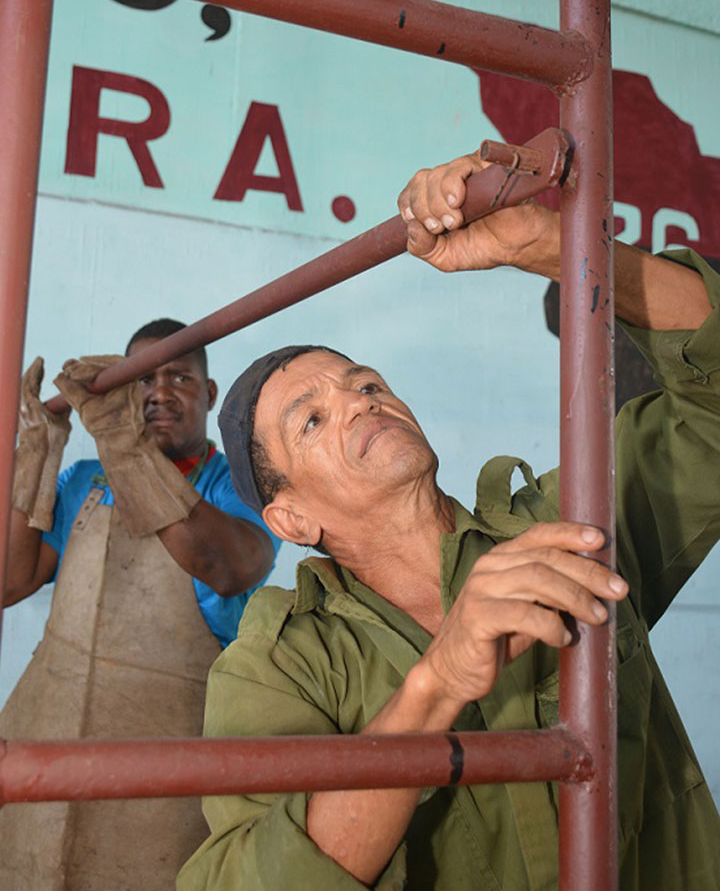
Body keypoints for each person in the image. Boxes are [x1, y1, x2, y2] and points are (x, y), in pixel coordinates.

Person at [178, 152, 720, 890]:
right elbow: (252, 881)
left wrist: (548, 247)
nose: (362, 401)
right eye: (312, 420)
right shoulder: (278, 667)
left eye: (365, 383)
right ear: (292, 518)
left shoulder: (571, 521)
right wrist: (435, 685)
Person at [1, 318, 280, 891]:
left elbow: (229, 569)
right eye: (142, 379)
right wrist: (36, 457)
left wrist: (128, 450)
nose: (158, 391)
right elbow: (10, 583)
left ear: (207, 394)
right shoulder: (86, 480)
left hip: (164, 781)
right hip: (44, 757)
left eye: (178, 376)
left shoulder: (235, 487)